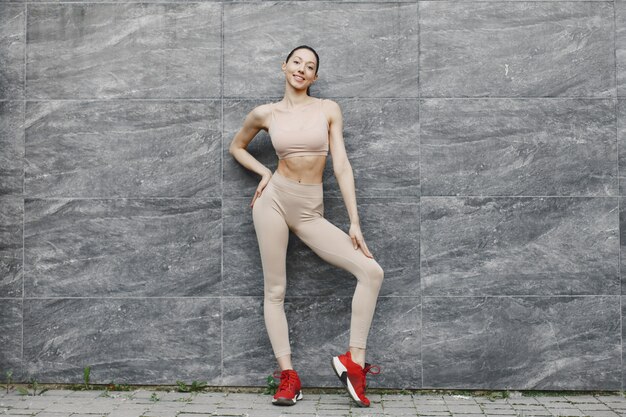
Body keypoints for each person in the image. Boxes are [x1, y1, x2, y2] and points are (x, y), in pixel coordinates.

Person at [228, 45, 384, 408]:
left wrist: (354, 222)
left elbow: (342, 166)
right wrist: (264, 171)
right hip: (273, 202)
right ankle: (288, 377)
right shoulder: (265, 113)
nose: (302, 68)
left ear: (314, 77)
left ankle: (353, 364)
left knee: (371, 272)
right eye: (296, 62)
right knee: (275, 290)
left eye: (309, 66)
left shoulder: (328, 109)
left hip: (311, 210)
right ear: (284, 67)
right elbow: (237, 146)